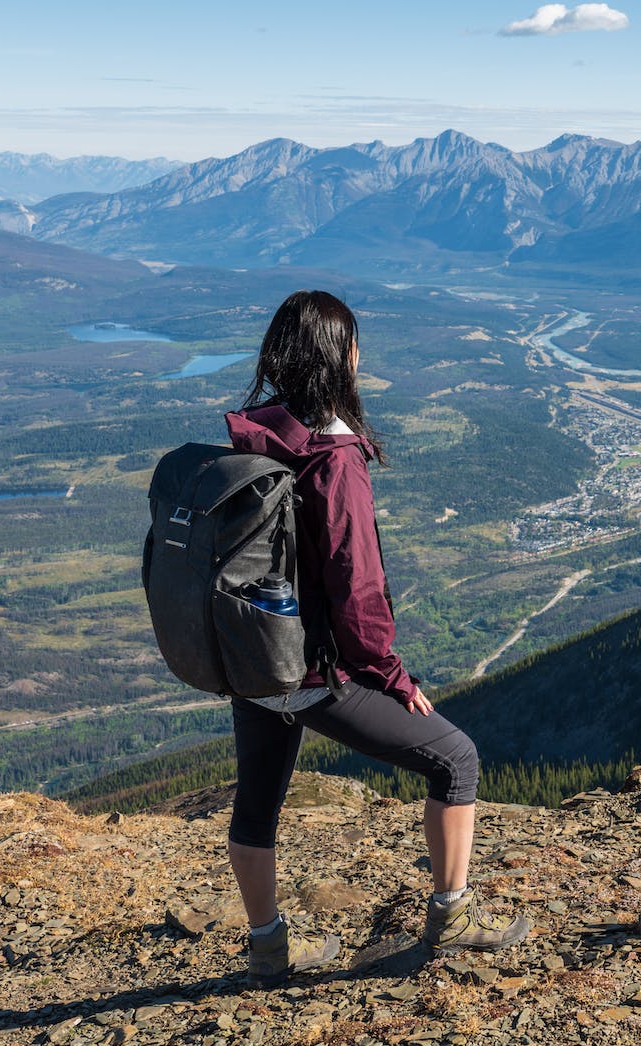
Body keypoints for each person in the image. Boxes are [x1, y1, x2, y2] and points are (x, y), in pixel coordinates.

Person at [223, 290, 530, 988]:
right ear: (341, 357)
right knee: (456, 759)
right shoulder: (334, 460)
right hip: (310, 672)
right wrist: (393, 677)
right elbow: (358, 594)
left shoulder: (255, 435)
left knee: (257, 804)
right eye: (355, 344)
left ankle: (268, 950)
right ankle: (452, 916)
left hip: (253, 661)